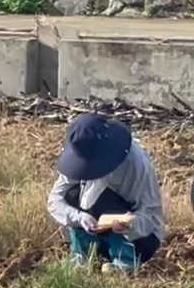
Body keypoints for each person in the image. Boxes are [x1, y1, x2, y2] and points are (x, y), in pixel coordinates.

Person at [47, 112, 164, 274]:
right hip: (96, 233)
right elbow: (55, 200)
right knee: (72, 195)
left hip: (139, 240)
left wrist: (129, 224)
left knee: (105, 200)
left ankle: (125, 263)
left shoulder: (136, 164)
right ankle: (84, 255)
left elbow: (151, 215)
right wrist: (79, 218)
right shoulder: (79, 154)